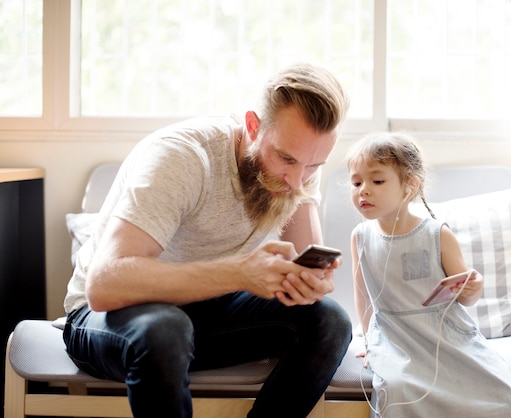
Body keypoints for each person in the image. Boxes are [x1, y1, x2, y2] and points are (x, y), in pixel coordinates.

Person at [62, 63, 353, 418]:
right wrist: (239, 274)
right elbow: (104, 285)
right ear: (253, 126)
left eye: (314, 166)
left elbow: (306, 267)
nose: (296, 179)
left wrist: (308, 280)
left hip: (206, 316)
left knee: (329, 322)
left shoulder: (299, 168)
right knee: (167, 328)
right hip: (110, 320)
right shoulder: (182, 157)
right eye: (286, 158)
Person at [345, 132, 511, 418]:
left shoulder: (437, 234)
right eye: (356, 182)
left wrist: (473, 288)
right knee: (395, 391)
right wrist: (371, 344)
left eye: (377, 180)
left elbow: (465, 296)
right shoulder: (360, 237)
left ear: (409, 187)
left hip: (446, 336)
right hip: (395, 339)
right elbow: (363, 297)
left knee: (508, 399)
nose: (363, 190)